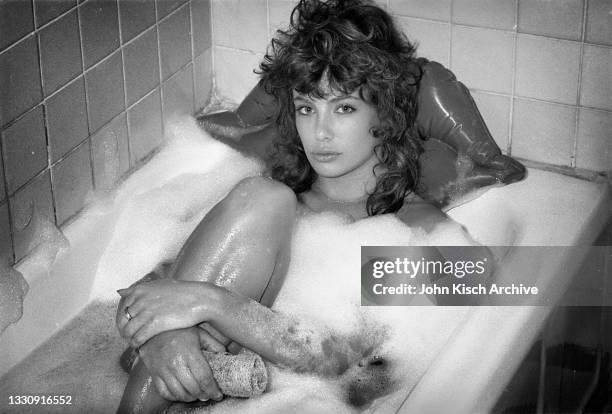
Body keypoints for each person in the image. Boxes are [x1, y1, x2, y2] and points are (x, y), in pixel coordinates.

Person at [115, 1, 496, 412]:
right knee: (262, 195)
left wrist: (208, 303)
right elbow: (149, 289)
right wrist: (166, 337)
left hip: (297, 401)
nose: (320, 130)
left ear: (385, 115)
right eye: (306, 108)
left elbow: (331, 357)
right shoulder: (269, 204)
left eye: (344, 108)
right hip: (205, 395)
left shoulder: (412, 228)